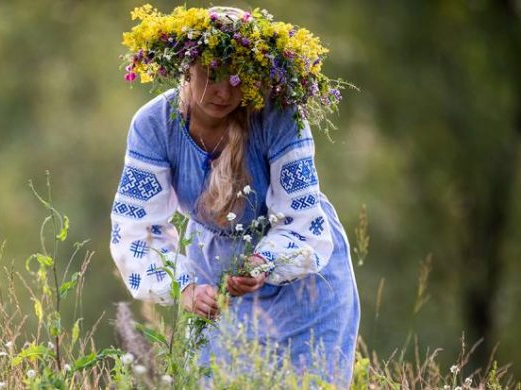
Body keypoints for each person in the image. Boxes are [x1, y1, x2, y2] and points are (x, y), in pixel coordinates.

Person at [110, 5, 360, 387]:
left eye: (238, 75)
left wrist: (262, 262)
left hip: (303, 283)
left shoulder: (279, 118)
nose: (223, 90)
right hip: (214, 280)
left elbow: (302, 219)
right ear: (186, 69)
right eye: (210, 73)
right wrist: (186, 288)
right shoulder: (154, 125)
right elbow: (136, 230)